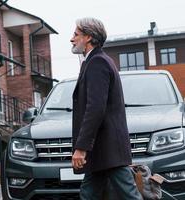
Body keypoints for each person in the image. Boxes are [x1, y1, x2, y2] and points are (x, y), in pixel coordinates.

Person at [70, 17, 142, 200]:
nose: (72, 39)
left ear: (88, 37)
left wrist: (81, 148)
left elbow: (95, 108)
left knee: (128, 195)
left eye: (76, 34)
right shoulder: (92, 61)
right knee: (88, 194)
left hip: (109, 150)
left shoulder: (97, 63)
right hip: (102, 151)